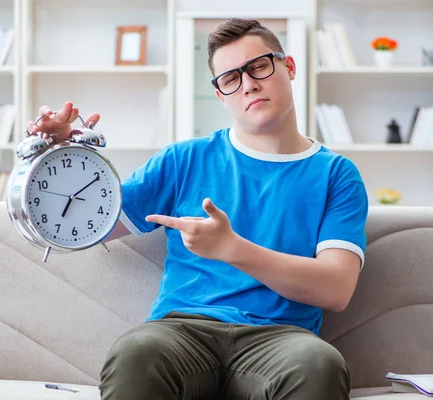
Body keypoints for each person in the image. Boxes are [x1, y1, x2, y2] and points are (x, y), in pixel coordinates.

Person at [26, 18, 368, 400]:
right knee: (135, 354)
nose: (249, 84)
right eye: (230, 78)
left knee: (320, 365)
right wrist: (53, 155)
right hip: (181, 331)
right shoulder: (182, 160)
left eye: (258, 66)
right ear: (221, 95)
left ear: (287, 67)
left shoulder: (337, 175)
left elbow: (337, 288)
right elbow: (78, 226)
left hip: (283, 339)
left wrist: (233, 249)